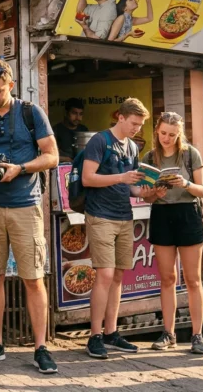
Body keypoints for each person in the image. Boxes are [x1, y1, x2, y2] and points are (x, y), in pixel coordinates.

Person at [0, 59, 60, 374]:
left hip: (26, 205)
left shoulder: (31, 113)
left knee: (33, 278)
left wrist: (21, 168)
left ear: (11, 85)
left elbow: (52, 156)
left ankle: (41, 347)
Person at [80, 98, 152, 359]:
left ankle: (111, 332)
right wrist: (122, 177)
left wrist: (150, 192)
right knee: (105, 274)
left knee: (119, 275)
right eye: (134, 123)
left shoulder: (132, 146)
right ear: (120, 117)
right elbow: (88, 178)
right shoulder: (100, 141)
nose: (136, 129)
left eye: (140, 125)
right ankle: (94, 336)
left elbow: (132, 188)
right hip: (100, 215)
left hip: (124, 214)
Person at [139, 112, 203, 354]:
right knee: (167, 278)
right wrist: (153, 193)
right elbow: (145, 196)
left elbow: (202, 190)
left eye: (171, 134)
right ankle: (168, 333)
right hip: (161, 213)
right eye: (163, 133)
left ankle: (197, 334)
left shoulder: (190, 154)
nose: (166, 138)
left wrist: (185, 184)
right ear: (156, 131)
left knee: (193, 279)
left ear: (179, 134)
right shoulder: (149, 157)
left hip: (188, 213)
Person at [54, 98, 88, 163]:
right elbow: (50, 155)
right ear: (66, 113)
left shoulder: (84, 130)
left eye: (80, 114)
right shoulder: (56, 130)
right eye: (74, 113)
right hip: (62, 166)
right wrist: (65, 159)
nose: (78, 118)